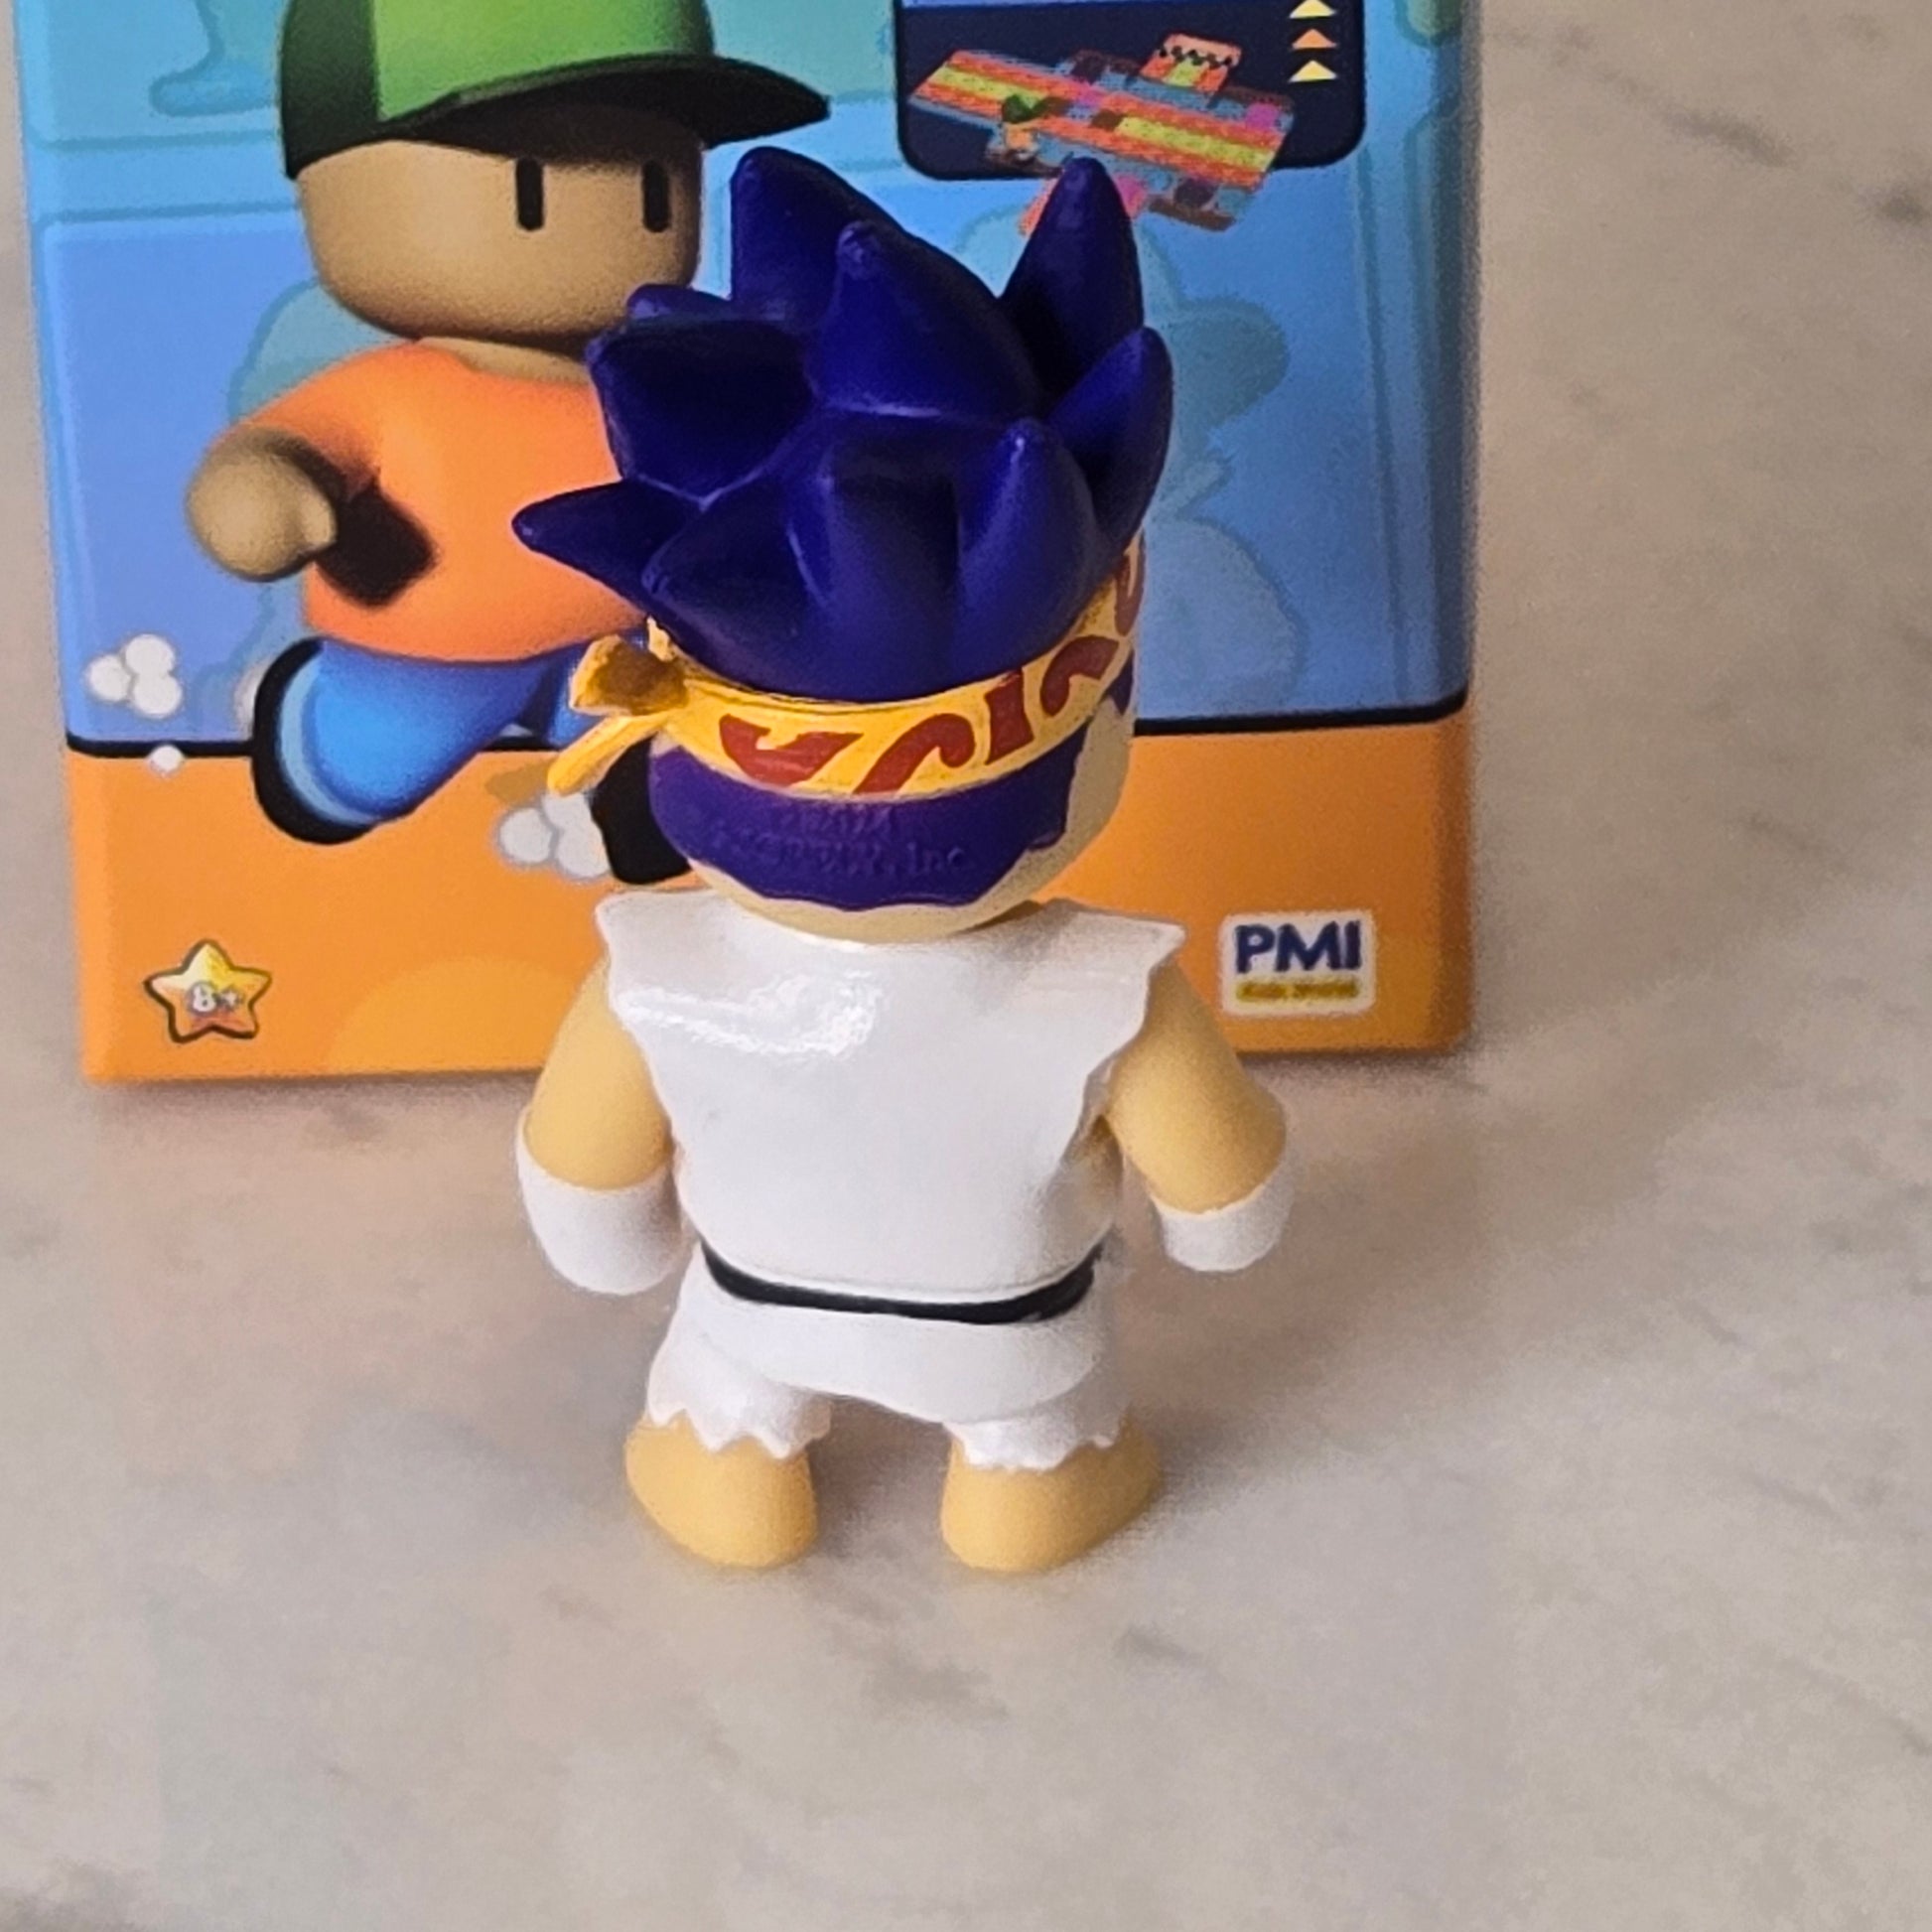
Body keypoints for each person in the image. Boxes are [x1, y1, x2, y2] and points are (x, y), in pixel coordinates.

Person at [513, 153, 1294, 1574]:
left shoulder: (656, 974)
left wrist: (615, 1246)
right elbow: (1226, 1201)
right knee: (1041, 1449)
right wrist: (1219, 1220)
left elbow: (588, 1200)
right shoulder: (1105, 993)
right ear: (1095, 714)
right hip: (1013, 1333)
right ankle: (1027, 1493)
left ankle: (731, 1471)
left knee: (715, 1421)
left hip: (747, 1308)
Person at [186, 0, 825, 876]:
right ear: (336, 189)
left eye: (653, 186)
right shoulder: (393, 392)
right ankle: (311, 727)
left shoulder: (649, 371)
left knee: (662, 737)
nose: (602, 220)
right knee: (370, 771)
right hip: (426, 657)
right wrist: (264, 492)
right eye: (530, 184)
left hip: (622, 646)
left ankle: (648, 796)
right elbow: (272, 458)